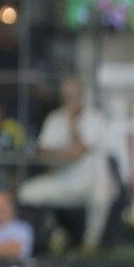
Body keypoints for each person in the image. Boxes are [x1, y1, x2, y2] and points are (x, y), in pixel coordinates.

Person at [18, 76, 117, 250]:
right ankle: (55, 231)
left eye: (74, 96)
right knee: (26, 193)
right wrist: (65, 154)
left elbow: (76, 152)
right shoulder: (55, 118)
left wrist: (72, 125)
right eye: (67, 96)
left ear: (82, 96)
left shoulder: (95, 118)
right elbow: (42, 154)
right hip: (64, 180)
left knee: (101, 195)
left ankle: (91, 243)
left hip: (93, 183)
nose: (71, 100)